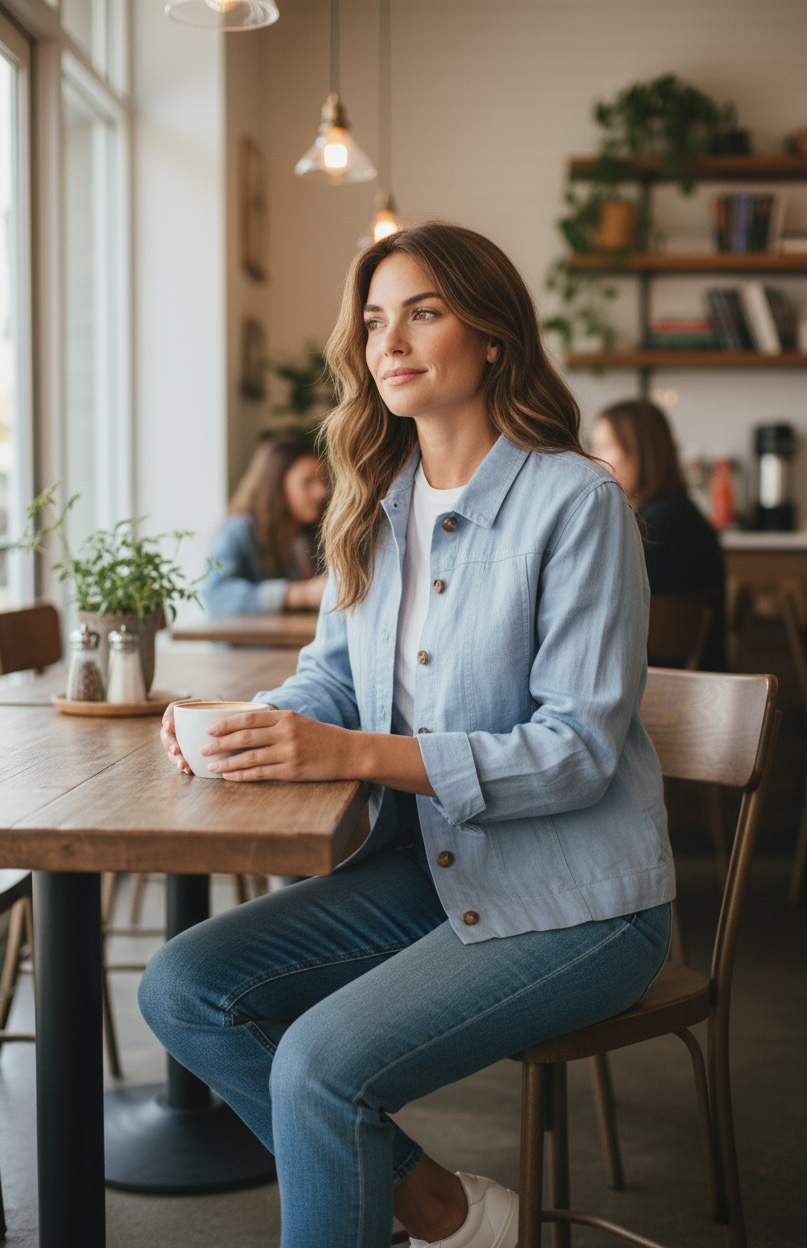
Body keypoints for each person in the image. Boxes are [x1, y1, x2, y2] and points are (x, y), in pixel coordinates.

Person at [141, 223, 674, 1248]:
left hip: (579, 899)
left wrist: (350, 755)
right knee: (185, 988)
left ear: (491, 338)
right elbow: (337, 676)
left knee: (316, 1067)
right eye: (376, 319)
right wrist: (257, 726)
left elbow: (575, 749)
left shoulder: (577, 502)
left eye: (423, 311)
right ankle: (444, 1212)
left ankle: (430, 1215)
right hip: (430, 866)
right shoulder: (375, 504)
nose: (390, 338)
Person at [590, 399, 727, 671]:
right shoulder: (682, 513)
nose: (594, 459)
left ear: (642, 452)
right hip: (693, 682)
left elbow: (599, 609)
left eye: (606, 447)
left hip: (660, 691)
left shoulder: (657, 526)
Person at [201, 437, 328, 616]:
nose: (321, 492)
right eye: (307, 482)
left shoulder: (313, 534)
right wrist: (300, 594)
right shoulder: (238, 531)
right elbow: (216, 596)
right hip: (252, 644)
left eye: (323, 481)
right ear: (276, 484)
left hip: (298, 642)